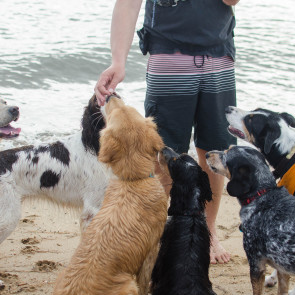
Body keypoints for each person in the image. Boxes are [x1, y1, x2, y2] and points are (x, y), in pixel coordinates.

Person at [95, 0, 240, 264]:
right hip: (169, 57)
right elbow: (128, 4)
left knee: (215, 150)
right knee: (164, 153)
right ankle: (154, 232)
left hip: (218, 54)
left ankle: (207, 230)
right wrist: (118, 61)